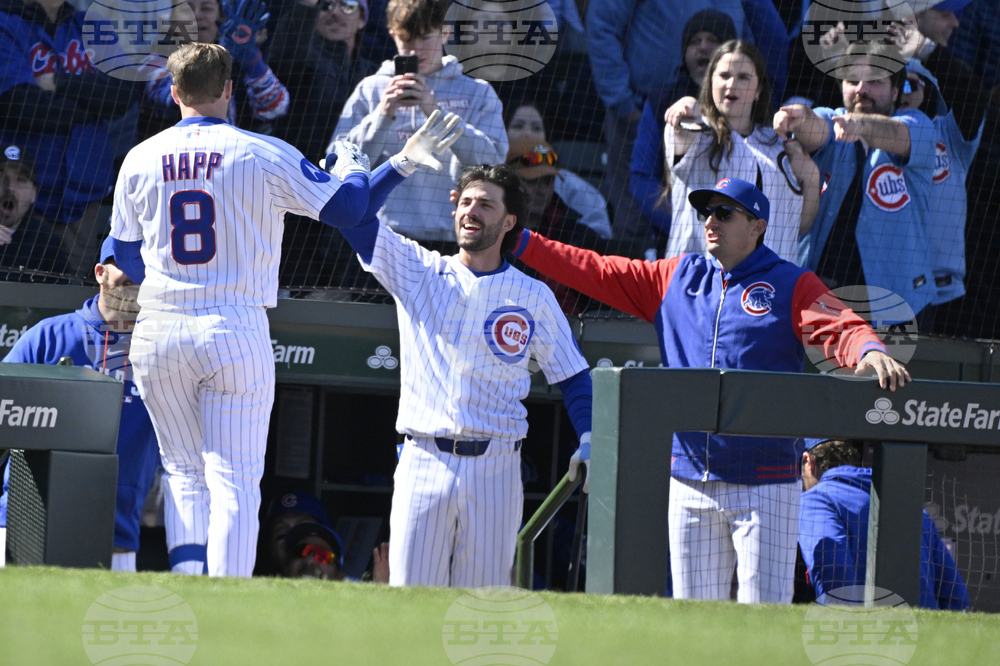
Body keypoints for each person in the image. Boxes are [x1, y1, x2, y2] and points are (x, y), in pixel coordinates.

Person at [510, 176, 910, 603]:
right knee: (693, 615)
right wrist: (520, 242)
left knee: (764, 613)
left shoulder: (792, 282)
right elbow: (595, 268)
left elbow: (841, 326)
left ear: (757, 226)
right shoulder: (677, 276)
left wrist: (868, 349)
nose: (710, 221)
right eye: (706, 212)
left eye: (724, 212)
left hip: (766, 480)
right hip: (689, 478)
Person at [109, 42, 372, 577]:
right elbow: (348, 208)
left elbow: (126, 256)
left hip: (161, 327)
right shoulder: (260, 150)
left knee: (183, 472)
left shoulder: (140, 157)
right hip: (234, 322)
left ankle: (188, 583)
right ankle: (228, 592)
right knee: (234, 477)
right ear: (229, 89)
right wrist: (353, 167)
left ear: (175, 92)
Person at [336, 112, 593, 587]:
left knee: (482, 604)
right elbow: (353, 217)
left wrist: (591, 436)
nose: (472, 211)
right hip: (423, 459)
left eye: (486, 205)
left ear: (509, 221)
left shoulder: (533, 295)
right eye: (466, 201)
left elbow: (573, 375)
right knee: (411, 599)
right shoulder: (420, 269)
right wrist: (401, 164)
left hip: (497, 466)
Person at [0, 236, 159, 572]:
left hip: (117, 532)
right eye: (126, 264)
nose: (137, 274)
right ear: (100, 272)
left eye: (146, 266)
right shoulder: (47, 337)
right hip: (20, 522)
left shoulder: (165, 351)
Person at [774, 41, 938, 321]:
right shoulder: (833, 118)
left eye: (875, 81)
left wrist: (860, 125)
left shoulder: (918, 125)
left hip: (896, 304)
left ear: (895, 91)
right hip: (821, 296)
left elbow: (896, 134)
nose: (862, 89)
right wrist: (799, 117)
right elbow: (816, 127)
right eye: (852, 81)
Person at [331, 0, 507, 242]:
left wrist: (435, 113)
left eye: (425, 38)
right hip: (380, 236)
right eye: (407, 39)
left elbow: (493, 167)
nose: (416, 50)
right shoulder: (371, 89)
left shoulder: (478, 92)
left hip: (455, 237)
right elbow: (337, 166)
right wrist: (382, 116)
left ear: (445, 32)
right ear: (392, 35)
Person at [0, 0, 143, 275]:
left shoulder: (91, 25)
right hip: (20, 196)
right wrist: (94, 106)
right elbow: (20, 105)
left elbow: (124, 93)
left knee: (70, 292)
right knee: (15, 290)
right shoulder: (6, 24)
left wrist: (58, 82)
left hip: (83, 199)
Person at [662, 40, 819, 265]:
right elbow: (682, 130)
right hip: (697, 279)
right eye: (724, 75)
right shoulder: (695, 129)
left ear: (758, 90)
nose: (732, 84)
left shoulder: (779, 145)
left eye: (743, 77)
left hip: (770, 282)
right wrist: (688, 105)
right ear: (710, 82)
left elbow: (798, 226)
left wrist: (811, 178)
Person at [798, 439, 971, 610]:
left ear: (808, 461)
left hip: (867, 625)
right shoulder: (907, 503)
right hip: (923, 623)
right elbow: (956, 594)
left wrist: (844, 619)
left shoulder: (815, 500)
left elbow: (833, 567)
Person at [630, 9, 738, 248]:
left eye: (713, 40)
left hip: (737, 243)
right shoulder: (660, 101)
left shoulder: (746, 103)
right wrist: (685, 224)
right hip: (675, 241)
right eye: (694, 41)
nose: (703, 47)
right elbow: (641, 179)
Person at [143, 0, 290, 135]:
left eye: (206, 8)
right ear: (172, 19)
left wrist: (252, 59)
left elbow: (275, 108)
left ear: (220, 16)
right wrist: (225, 53)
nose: (197, 15)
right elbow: (181, 95)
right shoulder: (156, 58)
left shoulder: (239, 51)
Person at [506, 137, 608, 315]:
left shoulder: (578, 238)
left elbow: (600, 307)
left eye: (548, 181)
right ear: (509, 183)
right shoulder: (491, 236)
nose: (541, 190)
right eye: (532, 181)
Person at [269, 0, 379, 163]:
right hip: (295, 171)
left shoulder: (375, 75)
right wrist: (307, 6)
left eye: (348, 6)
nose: (335, 13)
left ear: (362, 19)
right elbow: (287, 52)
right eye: (326, 5)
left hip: (352, 173)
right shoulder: (298, 60)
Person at [505, 101, 613, 240]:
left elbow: (600, 237)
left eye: (548, 181)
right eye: (518, 126)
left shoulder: (569, 220)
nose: (528, 134)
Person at [0, 145, 68, 282]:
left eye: (20, 180)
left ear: (34, 194)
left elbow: (59, 291)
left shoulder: (46, 241)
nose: (10, 188)